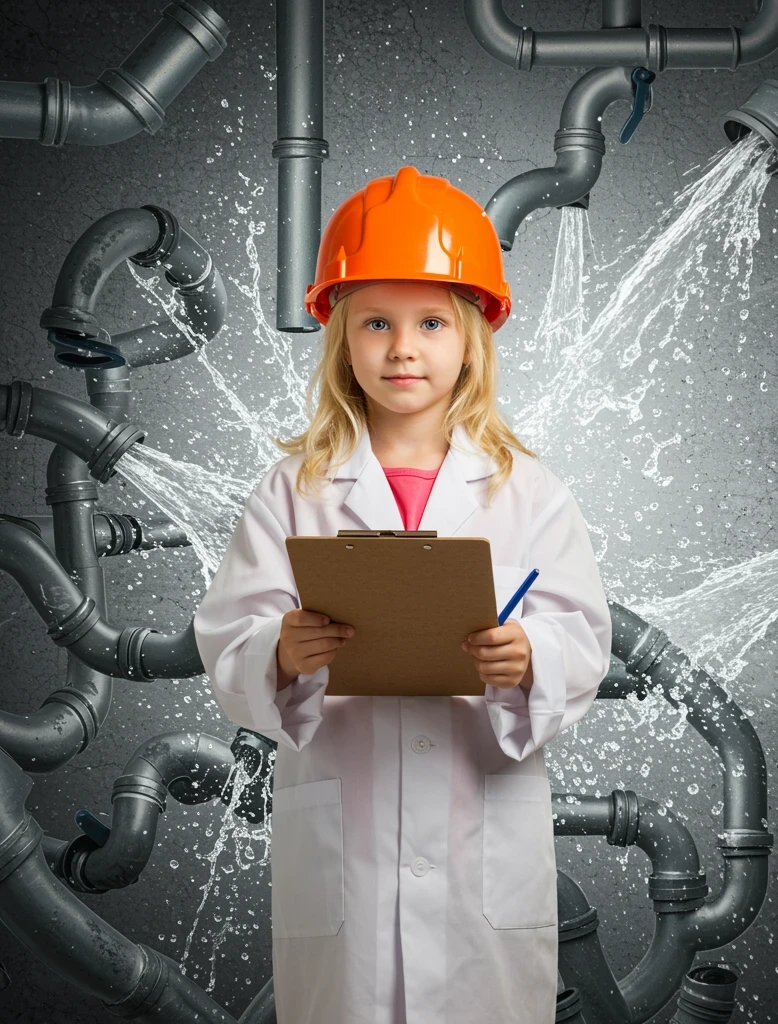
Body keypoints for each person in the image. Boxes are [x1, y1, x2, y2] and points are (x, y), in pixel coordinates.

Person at [192, 164, 612, 1024]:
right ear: (341, 334)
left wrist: (531, 656)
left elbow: (582, 639)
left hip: (480, 842)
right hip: (346, 851)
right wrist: (280, 649)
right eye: (376, 322)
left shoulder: (528, 491)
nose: (402, 348)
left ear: (473, 338)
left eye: (429, 322)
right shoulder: (294, 488)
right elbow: (228, 637)